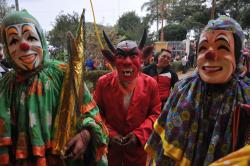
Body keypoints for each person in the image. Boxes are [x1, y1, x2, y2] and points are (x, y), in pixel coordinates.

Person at [0, 10, 108, 165]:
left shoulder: (64, 74)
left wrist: (86, 135)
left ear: (41, 39)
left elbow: (90, 113)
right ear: (7, 50)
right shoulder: (5, 87)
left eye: (30, 37)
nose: (24, 45)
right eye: (13, 41)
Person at [145, 16, 250, 165]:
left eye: (222, 47)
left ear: (238, 55)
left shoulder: (246, 95)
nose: (209, 54)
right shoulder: (182, 90)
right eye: (203, 48)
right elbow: (160, 144)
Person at [94, 30, 161, 166]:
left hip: (138, 151)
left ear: (143, 58)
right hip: (111, 151)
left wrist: (139, 135)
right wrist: (110, 134)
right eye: (121, 56)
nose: (127, 62)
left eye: (133, 55)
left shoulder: (150, 84)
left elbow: (155, 114)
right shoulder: (103, 83)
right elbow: (95, 113)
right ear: (112, 60)